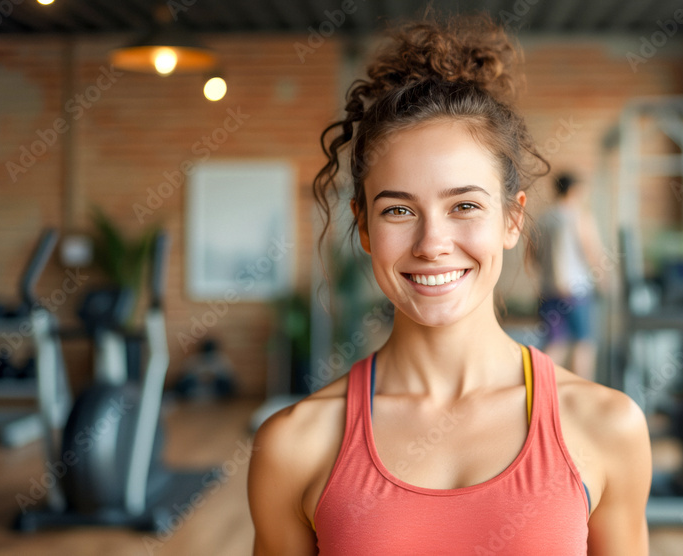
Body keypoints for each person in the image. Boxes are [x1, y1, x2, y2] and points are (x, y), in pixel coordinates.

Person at [248, 13, 650, 555]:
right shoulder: (294, 445)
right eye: (397, 211)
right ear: (363, 226)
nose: (431, 243)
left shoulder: (607, 427)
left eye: (464, 205)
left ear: (512, 219)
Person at [531, 171, 607, 382]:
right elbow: (590, 251)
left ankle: (542, 390)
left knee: (555, 343)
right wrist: (604, 279)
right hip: (576, 289)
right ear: (573, 190)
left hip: (549, 290)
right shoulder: (578, 216)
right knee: (584, 343)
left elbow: (532, 256)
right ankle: (582, 394)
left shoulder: (543, 218)